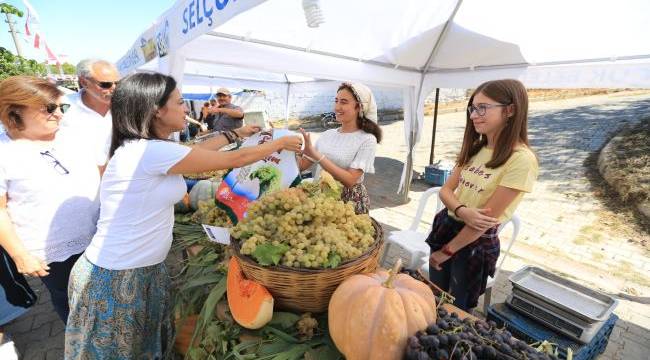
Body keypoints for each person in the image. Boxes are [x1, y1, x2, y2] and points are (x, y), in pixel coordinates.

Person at [64, 73, 302, 359]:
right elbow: (233, 160)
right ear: (156, 111)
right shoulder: (148, 152)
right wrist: (278, 144)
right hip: (117, 278)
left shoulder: (145, 149)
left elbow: (193, 151)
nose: (186, 110)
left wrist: (236, 134)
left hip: (139, 270)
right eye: (179, 103)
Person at [426, 79, 538, 311]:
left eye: (482, 108)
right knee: (433, 297)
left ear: (510, 110)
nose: (474, 115)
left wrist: (446, 252)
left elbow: (481, 223)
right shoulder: (476, 148)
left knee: (455, 311)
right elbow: (446, 190)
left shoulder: (521, 160)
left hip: (471, 244)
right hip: (446, 227)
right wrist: (462, 210)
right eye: (472, 108)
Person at [0, 76, 101, 323]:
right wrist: (20, 254)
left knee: (105, 297)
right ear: (14, 111)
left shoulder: (69, 136)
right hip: (54, 252)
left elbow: (101, 170)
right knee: (75, 305)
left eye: (61, 107)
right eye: (49, 108)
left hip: (98, 234)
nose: (59, 114)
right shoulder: (5, 152)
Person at [299, 82, 382, 214]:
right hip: (321, 199)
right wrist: (284, 143)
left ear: (359, 107)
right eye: (336, 101)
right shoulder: (327, 135)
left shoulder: (367, 139)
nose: (337, 107)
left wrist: (318, 156)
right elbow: (302, 165)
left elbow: (350, 180)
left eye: (343, 102)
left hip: (348, 204)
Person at [57, 59, 120, 171]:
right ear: (84, 82)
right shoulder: (62, 106)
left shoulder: (125, 106)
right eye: (106, 84)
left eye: (118, 83)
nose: (114, 88)